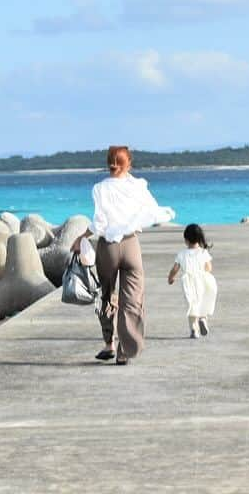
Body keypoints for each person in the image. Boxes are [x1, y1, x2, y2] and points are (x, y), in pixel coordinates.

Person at [71, 145, 174, 365]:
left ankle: (108, 343)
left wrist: (82, 237)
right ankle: (124, 350)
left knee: (107, 295)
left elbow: (99, 223)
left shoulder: (100, 188)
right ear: (128, 164)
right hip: (130, 246)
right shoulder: (138, 186)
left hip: (107, 247)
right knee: (132, 299)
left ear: (108, 163)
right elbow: (153, 212)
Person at [167, 224, 218, 338]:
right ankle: (203, 319)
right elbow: (209, 268)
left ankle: (194, 330)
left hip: (188, 281)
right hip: (203, 279)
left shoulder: (182, 254)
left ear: (186, 240)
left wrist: (171, 278)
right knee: (203, 300)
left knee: (192, 304)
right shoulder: (203, 252)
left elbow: (175, 269)